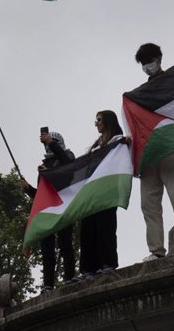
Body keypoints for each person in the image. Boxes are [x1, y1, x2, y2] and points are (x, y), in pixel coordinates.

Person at [134, 43, 174, 260]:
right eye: (143, 63)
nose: (146, 66)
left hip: (171, 147)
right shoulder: (140, 94)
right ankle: (156, 250)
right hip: (149, 153)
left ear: (159, 58)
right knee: (149, 204)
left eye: (148, 61)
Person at [21, 130, 75, 291]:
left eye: (50, 143)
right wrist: (28, 188)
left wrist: (52, 143)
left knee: (65, 244)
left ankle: (70, 277)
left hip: (64, 206)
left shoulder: (68, 156)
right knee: (47, 248)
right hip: (48, 211)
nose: (47, 146)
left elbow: (67, 169)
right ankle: (48, 283)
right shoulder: (44, 165)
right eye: (46, 143)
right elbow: (42, 195)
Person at [78, 110, 124, 278]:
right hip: (92, 194)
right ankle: (89, 268)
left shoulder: (118, 141)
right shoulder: (95, 146)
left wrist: (125, 143)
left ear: (108, 122)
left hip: (108, 192)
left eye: (99, 120)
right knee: (89, 228)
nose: (96, 123)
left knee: (106, 227)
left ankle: (108, 263)